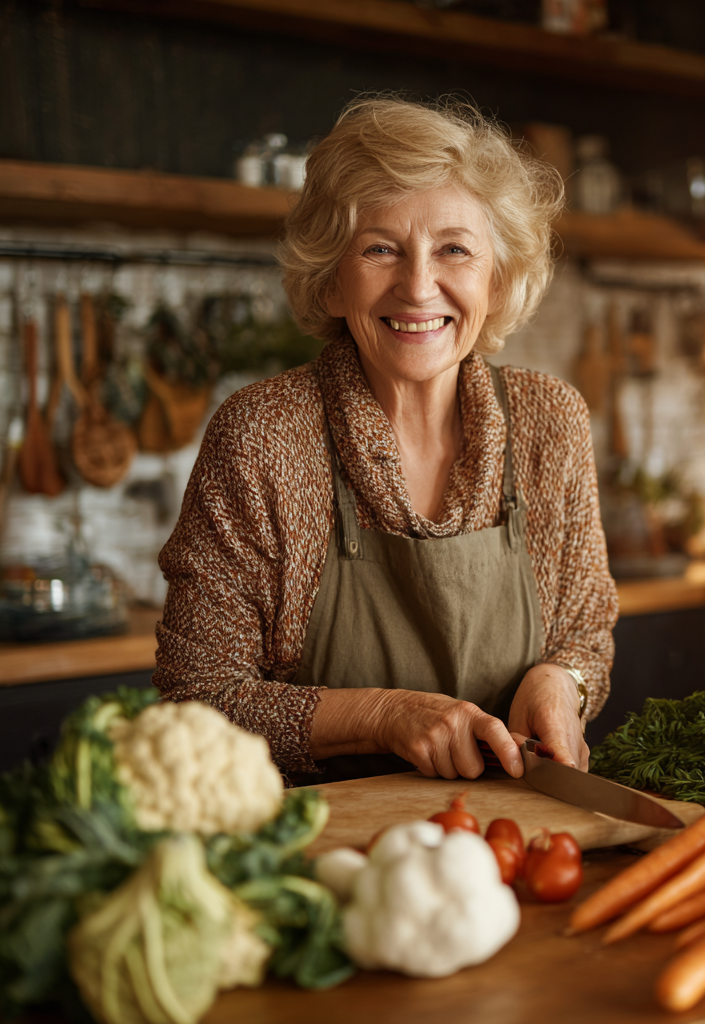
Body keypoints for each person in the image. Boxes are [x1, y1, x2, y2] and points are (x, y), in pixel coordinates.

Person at [155, 96, 618, 782]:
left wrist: (560, 681)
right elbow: (196, 699)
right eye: (381, 249)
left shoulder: (551, 420)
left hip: (515, 837)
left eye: (454, 249)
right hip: (320, 853)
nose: (418, 286)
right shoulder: (261, 436)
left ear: (497, 278)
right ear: (332, 278)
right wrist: (383, 716)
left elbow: (586, 631)